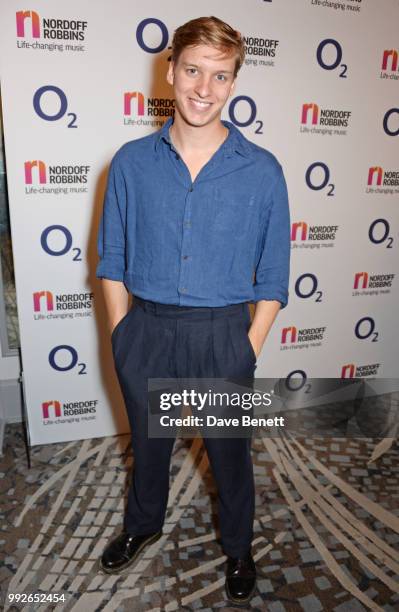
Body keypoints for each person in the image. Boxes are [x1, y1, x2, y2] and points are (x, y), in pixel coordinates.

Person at [96, 15, 290, 606]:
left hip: (221, 334)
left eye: (220, 76)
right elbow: (111, 262)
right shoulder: (129, 162)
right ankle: (143, 523)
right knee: (148, 447)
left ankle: (238, 547)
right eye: (193, 71)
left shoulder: (262, 170)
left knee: (230, 458)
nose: (204, 88)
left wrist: (246, 347)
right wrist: (122, 335)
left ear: (234, 83)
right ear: (171, 70)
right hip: (146, 330)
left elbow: (276, 279)